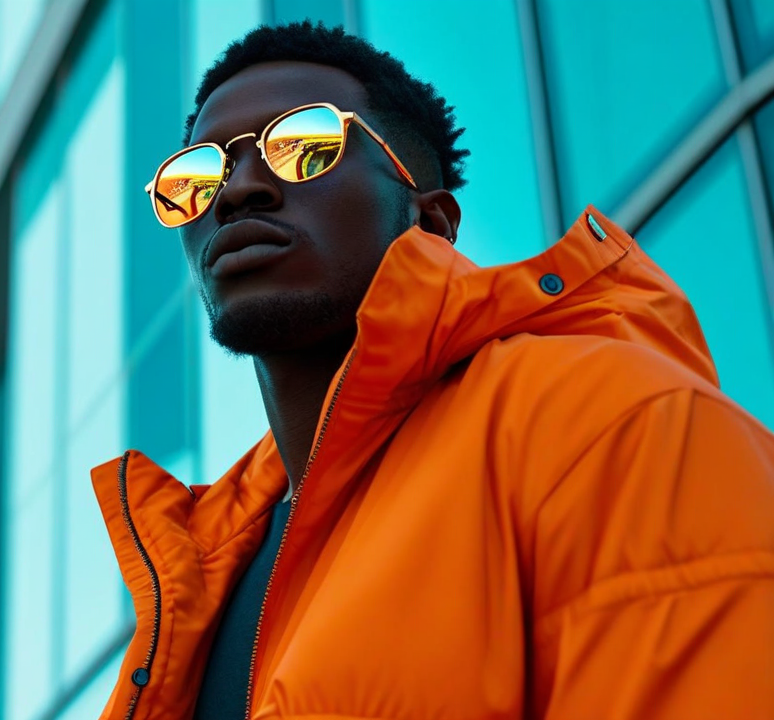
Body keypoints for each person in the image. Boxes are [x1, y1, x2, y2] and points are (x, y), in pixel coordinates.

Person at [89, 21, 774, 720]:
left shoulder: (609, 422)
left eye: (303, 147)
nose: (236, 192)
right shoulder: (190, 587)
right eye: (198, 176)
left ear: (432, 221)